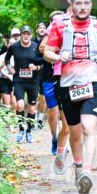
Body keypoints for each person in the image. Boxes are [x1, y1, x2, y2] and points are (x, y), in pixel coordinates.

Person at [44, 0, 97, 194]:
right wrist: (58, 57)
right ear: (72, 5)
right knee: (74, 132)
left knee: (88, 128)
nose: (82, 7)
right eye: (78, 4)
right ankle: (77, 166)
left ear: (91, 5)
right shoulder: (60, 25)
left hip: (92, 82)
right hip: (68, 85)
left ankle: (87, 171)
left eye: (86, 3)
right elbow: (47, 51)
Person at [2, 26, 43, 142]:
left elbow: (44, 62)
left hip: (33, 81)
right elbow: (7, 59)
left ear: (31, 35)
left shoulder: (36, 47)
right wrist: (9, 68)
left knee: (31, 109)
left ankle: (29, 131)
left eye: (28, 34)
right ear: (20, 35)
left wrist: (37, 67)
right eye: (24, 34)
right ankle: (21, 129)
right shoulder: (14, 47)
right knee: (19, 105)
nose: (26, 36)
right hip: (19, 80)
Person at [37, 15, 62, 155]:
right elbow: (41, 49)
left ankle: (64, 140)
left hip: (66, 76)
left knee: (66, 114)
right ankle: (55, 138)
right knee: (53, 113)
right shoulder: (48, 36)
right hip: (49, 77)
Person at [34, 22, 47, 130]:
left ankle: (39, 120)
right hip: (33, 73)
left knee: (43, 97)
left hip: (46, 73)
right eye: (40, 28)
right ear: (36, 30)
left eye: (44, 28)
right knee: (34, 97)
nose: (42, 29)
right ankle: (33, 118)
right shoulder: (32, 42)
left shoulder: (49, 42)